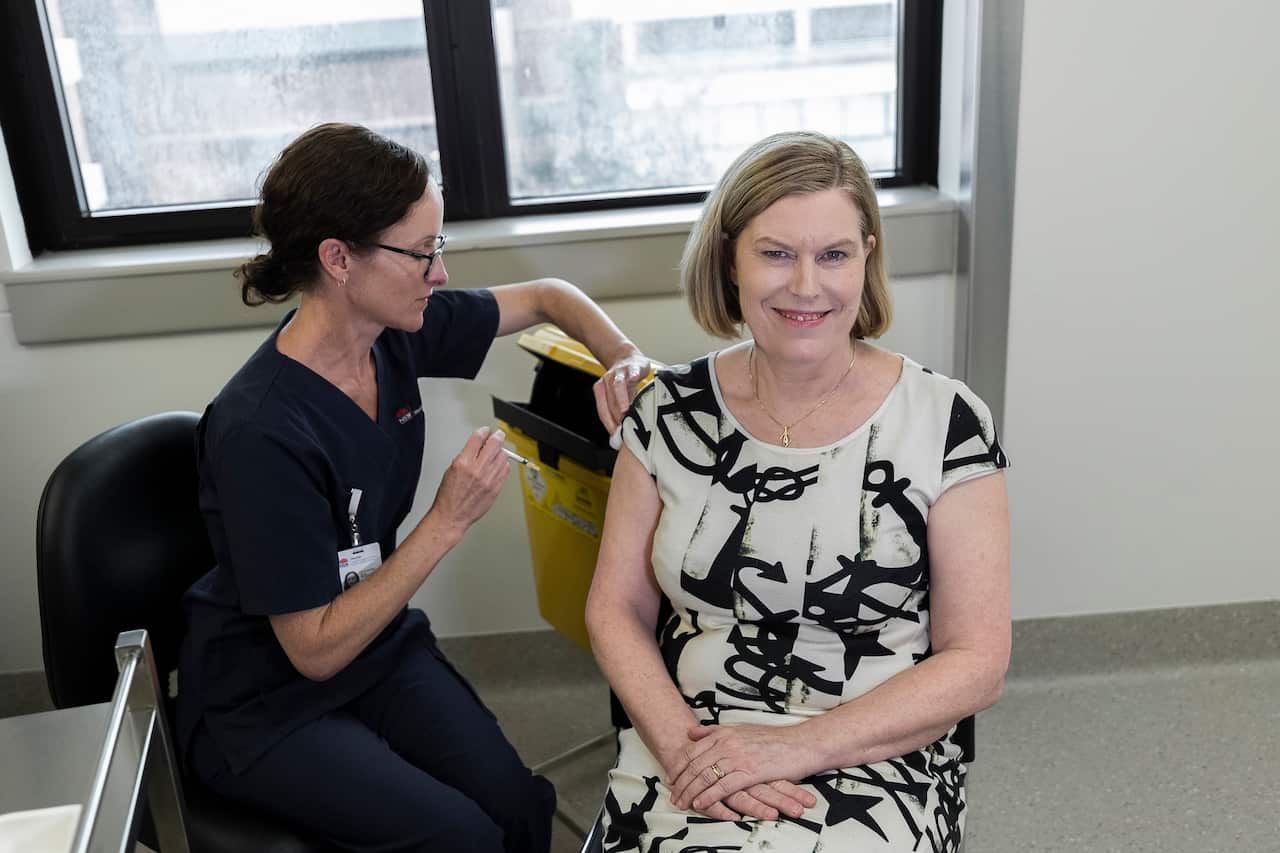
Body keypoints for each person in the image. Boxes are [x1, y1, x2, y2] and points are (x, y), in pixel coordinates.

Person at [176, 122, 649, 853]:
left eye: (441, 247)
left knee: (522, 810)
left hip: (378, 646)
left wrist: (621, 357)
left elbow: (552, 297)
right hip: (269, 699)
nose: (440, 273)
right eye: (421, 252)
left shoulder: (395, 330)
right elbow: (315, 650)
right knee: (458, 838)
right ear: (338, 258)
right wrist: (446, 521)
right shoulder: (259, 431)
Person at [584, 131, 1010, 853]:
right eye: (776, 253)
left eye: (834, 254)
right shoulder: (666, 413)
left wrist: (791, 749)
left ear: (867, 256)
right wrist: (691, 751)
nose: (806, 285)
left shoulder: (946, 421)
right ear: (731, 260)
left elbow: (977, 659)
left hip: (876, 747)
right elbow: (615, 607)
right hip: (690, 736)